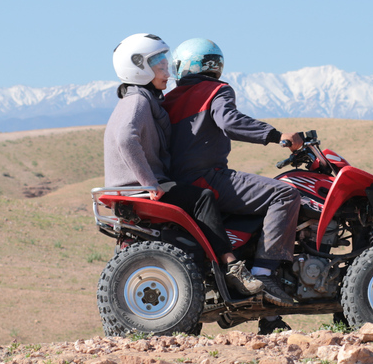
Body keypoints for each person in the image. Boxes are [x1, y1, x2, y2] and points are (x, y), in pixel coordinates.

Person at [104, 33, 262, 297]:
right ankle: (231, 266)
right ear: (139, 68)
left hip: (138, 184)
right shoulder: (138, 101)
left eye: (166, 63)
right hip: (137, 186)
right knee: (202, 198)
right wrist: (149, 183)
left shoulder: (143, 99)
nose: (168, 71)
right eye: (160, 66)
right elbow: (125, 139)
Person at [162, 37, 302, 334]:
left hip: (178, 184)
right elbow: (229, 121)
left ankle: (270, 317)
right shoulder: (217, 90)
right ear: (215, 66)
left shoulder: (168, 100)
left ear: (184, 66)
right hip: (207, 179)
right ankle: (264, 274)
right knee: (285, 193)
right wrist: (278, 136)